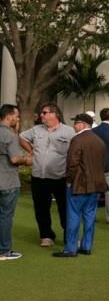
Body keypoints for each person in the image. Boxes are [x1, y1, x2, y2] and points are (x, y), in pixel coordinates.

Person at [19, 103, 74, 247]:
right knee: (41, 208)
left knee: (64, 209)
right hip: (39, 177)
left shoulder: (69, 132)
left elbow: (75, 151)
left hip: (60, 177)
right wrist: (31, 151)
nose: (41, 115)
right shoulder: (36, 130)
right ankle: (46, 236)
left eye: (44, 112)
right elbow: (22, 137)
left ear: (55, 114)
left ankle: (69, 237)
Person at [53, 113, 107, 258]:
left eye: (76, 123)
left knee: (73, 216)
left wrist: (68, 180)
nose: (74, 126)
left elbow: (72, 163)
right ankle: (87, 246)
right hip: (96, 185)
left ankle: (70, 249)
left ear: (83, 124)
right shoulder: (99, 141)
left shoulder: (77, 140)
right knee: (89, 216)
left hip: (79, 185)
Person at [0, 104, 31, 262]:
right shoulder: (10, 135)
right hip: (8, 182)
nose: (17, 119)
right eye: (16, 116)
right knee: (6, 217)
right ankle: (4, 251)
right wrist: (27, 160)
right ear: (9, 116)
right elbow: (14, 159)